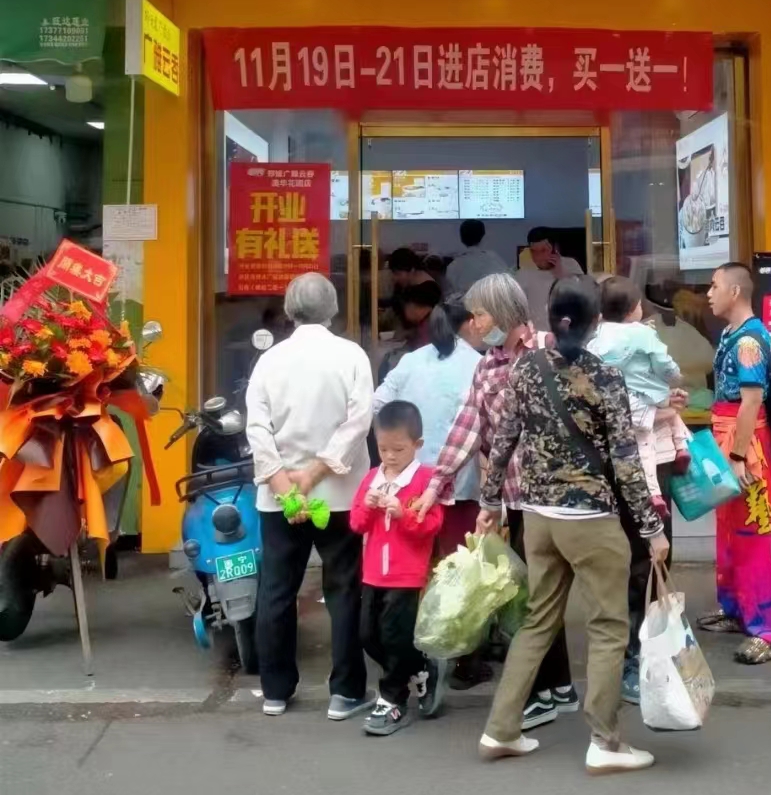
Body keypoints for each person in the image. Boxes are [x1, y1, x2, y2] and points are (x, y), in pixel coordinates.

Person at [476, 277, 669, 774]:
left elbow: (504, 439)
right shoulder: (605, 378)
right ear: (595, 324)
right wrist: (651, 529)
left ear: (548, 314)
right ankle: (605, 742)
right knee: (607, 626)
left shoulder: (525, 368)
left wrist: (490, 500)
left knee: (538, 620)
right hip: (591, 521)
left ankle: (500, 729)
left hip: (538, 519)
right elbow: (626, 463)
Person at [412, 271, 576, 727]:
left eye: (481, 313)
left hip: (563, 499)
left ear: (504, 312)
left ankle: (544, 692)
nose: (475, 323)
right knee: (536, 595)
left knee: (540, 597)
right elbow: (467, 427)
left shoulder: (553, 349)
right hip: (519, 502)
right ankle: (557, 687)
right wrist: (435, 484)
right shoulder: (486, 366)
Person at [245, 272, 373, 720]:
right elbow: (359, 422)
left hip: (280, 501)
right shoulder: (351, 355)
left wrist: (283, 484)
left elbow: (256, 427)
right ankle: (346, 693)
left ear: (289, 310)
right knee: (344, 591)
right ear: (334, 309)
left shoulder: (269, 361)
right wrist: (317, 472)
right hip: (338, 495)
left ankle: (275, 691)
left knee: (277, 591)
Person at [589, 276, 691, 703]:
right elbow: (620, 414)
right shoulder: (635, 342)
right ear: (633, 309)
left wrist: (668, 408)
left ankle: (653, 645)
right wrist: (663, 408)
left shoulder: (597, 346)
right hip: (632, 464)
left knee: (653, 558)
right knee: (642, 559)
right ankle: (637, 655)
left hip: (651, 458)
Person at [697, 261, 771, 662]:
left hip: (745, 445)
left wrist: (737, 456)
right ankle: (738, 608)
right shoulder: (730, 334)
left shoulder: (749, 341)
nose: (708, 292)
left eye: (714, 285)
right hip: (729, 438)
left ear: (734, 292)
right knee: (729, 529)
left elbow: (752, 402)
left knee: (755, 533)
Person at [350, 401, 446, 736]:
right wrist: (370, 504)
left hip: (407, 574)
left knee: (394, 634)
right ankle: (420, 669)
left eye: (398, 449)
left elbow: (431, 526)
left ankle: (392, 700)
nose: (389, 456)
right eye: (383, 449)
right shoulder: (371, 478)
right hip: (373, 572)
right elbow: (357, 524)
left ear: (417, 445)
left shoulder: (425, 479)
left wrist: (404, 514)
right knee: (368, 635)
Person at [373, 296, 484, 562]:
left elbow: (378, 404)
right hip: (458, 487)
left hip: (409, 483)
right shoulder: (477, 364)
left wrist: (395, 447)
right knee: (458, 573)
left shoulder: (411, 360)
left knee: (413, 568)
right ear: (469, 323)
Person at [516, 227, 584, 333]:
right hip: (538, 334)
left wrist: (560, 274)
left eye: (543, 250)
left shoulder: (570, 265)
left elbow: (582, 297)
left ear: (554, 249)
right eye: (534, 252)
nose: (539, 257)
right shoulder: (524, 272)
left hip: (567, 332)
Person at [446, 220, 507, 295]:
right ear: (483, 236)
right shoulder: (494, 259)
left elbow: (450, 294)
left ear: (462, 239)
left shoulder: (453, 266)